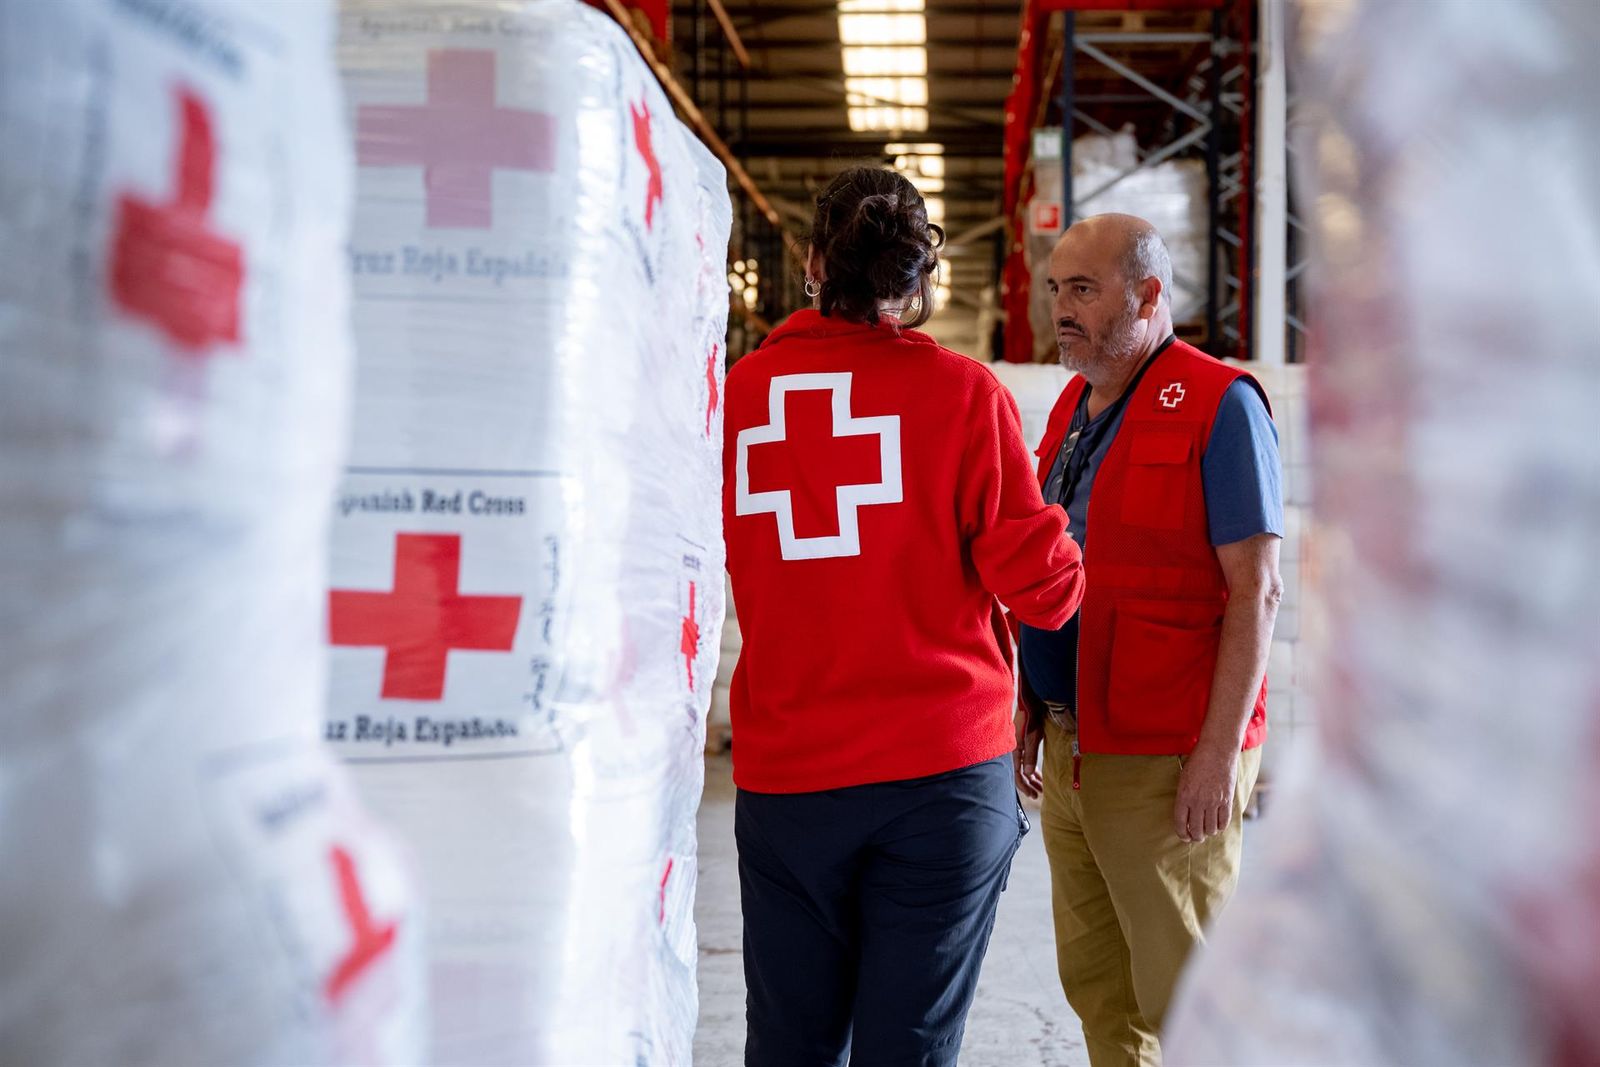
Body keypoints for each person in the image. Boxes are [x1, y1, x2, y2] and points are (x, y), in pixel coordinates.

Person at [722, 166, 1086, 1067]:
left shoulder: (735, 398)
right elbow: (1044, 589)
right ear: (923, 279)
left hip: (788, 774)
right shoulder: (964, 396)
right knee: (910, 1047)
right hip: (938, 777)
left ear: (813, 264)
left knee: (789, 1046)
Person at [1012, 214, 1283, 1067]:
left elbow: (1257, 590)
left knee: (1188, 994)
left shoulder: (1221, 404)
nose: (1063, 308)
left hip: (1166, 760)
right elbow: (1053, 564)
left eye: (1084, 290)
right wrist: (1029, 700)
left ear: (1150, 294)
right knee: (1100, 987)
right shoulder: (1074, 405)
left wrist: (1216, 755)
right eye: (1057, 288)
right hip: (1073, 745)